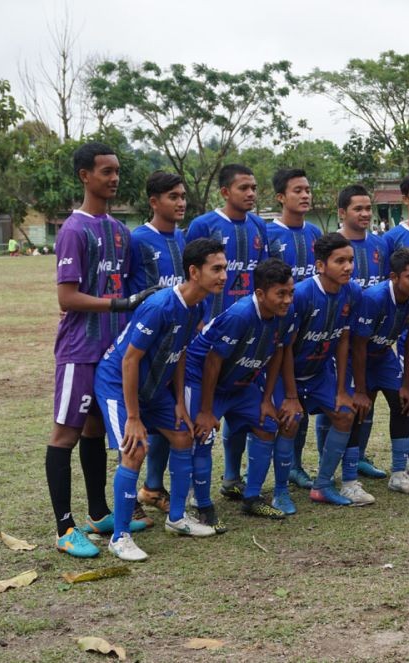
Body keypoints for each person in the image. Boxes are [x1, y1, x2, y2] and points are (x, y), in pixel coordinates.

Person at [46, 141, 160, 558]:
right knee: (66, 434)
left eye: (116, 171)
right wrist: (119, 304)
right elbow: (67, 298)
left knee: (95, 430)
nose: (113, 178)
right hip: (80, 349)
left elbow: (128, 285)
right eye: (105, 171)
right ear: (85, 176)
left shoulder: (118, 231)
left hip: (112, 353)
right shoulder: (73, 230)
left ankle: (99, 512)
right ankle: (64, 528)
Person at [94, 238, 228, 560]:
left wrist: (180, 402)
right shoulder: (160, 306)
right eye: (217, 269)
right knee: (135, 449)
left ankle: (177, 518)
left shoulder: (199, 304)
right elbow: (129, 360)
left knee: (183, 437)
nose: (224, 275)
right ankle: (120, 536)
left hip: (155, 389)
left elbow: (179, 352)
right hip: (117, 384)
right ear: (194, 272)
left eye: (225, 268)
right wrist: (134, 417)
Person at [184, 259, 297, 520]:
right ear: (260, 293)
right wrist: (206, 410)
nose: (287, 300)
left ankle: (252, 497)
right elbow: (212, 362)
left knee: (267, 423)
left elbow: (278, 351)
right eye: (280, 293)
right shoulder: (241, 315)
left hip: (241, 382)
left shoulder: (285, 313)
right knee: (202, 435)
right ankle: (200, 502)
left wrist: (267, 399)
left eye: (290, 293)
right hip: (204, 380)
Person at [186, 164, 269, 502]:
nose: (250, 193)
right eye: (243, 188)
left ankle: (233, 476)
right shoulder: (203, 224)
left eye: (253, 187)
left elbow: (261, 278)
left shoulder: (259, 226)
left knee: (240, 402)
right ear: (225, 192)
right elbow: (191, 275)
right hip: (209, 333)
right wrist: (200, 320)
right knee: (199, 414)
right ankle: (189, 489)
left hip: (247, 331)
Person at [283, 233, 362, 505]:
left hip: (319, 373)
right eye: (340, 261)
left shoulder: (353, 291)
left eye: (350, 260)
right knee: (289, 421)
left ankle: (323, 485)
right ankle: (282, 490)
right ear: (320, 266)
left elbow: (343, 339)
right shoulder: (302, 294)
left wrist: (341, 389)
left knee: (344, 413)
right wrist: (291, 396)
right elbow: (284, 348)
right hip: (288, 373)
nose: (348, 267)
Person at [351, 247, 409, 498]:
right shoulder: (374, 298)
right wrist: (361, 390)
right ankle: (349, 479)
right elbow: (358, 346)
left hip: (385, 355)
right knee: (357, 410)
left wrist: (408, 383)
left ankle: (399, 473)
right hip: (362, 357)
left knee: (402, 403)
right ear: (394, 277)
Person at [129, 171, 188, 525]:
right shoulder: (137, 240)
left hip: (175, 345)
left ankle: (153, 488)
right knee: (136, 424)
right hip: (144, 346)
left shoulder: (184, 240)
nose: (180, 202)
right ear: (154, 202)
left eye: (182, 196)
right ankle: (128, 495)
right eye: (172, 197)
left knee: (169, 420)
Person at [266, 168, 323, 489]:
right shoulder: (267, 234)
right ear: (280, 197)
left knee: (298, 400)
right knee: (271, 400)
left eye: (307, 189)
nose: (305, 195)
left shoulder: (315, 233)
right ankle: (237, 471)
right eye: (297, 190)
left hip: (311, 332)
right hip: (276, 331)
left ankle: (294, 466)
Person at [333, 184, 389, 479]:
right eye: (358, 208)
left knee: (368, 396)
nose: (365, 213)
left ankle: (360, 455)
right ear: (342, 213)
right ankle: (329, 462)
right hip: (339, 337)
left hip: (373, 338)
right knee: (338, 398)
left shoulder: (381, 245)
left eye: (368, 208)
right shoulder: (331, 244)